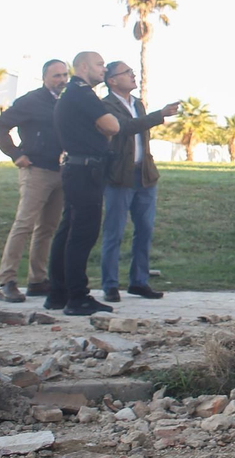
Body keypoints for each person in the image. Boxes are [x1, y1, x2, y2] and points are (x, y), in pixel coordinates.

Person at [45, 50, 122, 316]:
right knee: (82, 233)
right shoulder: (83, 92)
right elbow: (112, 125)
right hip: (85, 169)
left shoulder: (69, 93)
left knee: (67, 230)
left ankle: (58, 293)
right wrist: (104, 130)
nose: (104, 69)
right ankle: (77, 297)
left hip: (75, 167)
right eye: (100, 65)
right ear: (84, 66)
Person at [98, 62, 179, 303]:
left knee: (145, 230)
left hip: (144, 175)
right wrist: (160, 115)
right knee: (114, 232)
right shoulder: (104, 106)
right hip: (119, 176)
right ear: (112, 80)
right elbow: (124, 128)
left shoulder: (137, 103)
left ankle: (139, 281)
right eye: (126, 73)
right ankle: (110, 284)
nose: (133, 75)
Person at [0, 58, 69, 303]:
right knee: (23, 225)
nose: (62, 80)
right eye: (56, 75)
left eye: (65, 75)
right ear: (45, 77)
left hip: (61, 172)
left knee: (47, 229)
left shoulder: (66, 102)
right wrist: (15, 154)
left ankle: (37, 280)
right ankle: (7, 281)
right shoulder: (31, 101)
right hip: (35, 170)